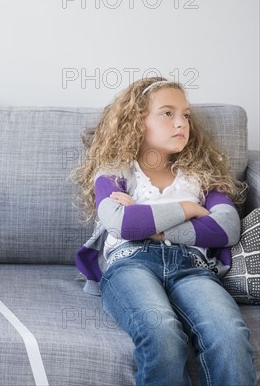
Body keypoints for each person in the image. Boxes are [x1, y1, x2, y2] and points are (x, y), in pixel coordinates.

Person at [72, 77, 256, 385]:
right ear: (137, 121)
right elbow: (121, 224)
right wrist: (189, 210)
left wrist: (154, 228)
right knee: (163, 333)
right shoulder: (115, 171)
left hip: (193, 268)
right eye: (167, 113)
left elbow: (226, 228)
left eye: (185, 115)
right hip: (131, 263)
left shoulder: (202, 175)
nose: (181, 123)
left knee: (230, 335)